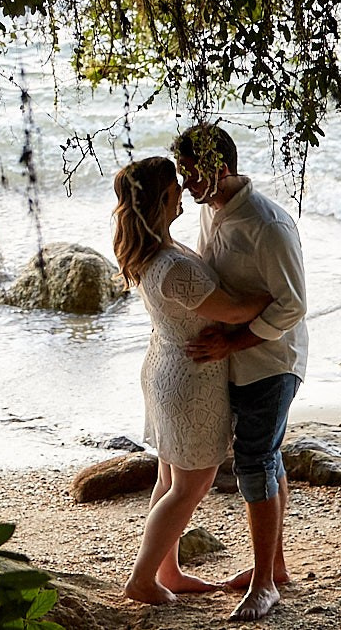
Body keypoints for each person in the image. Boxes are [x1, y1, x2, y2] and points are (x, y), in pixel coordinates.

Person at [111, 155, 274, 606]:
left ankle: (168, 570)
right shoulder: (173, 265)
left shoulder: (152, 251)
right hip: (188, 381)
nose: (184, 189)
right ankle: (142, 579)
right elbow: (236, 312)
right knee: (191, 485)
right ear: (164, 198)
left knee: (169, 478)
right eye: (176, 186)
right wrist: (280, 293)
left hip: (167, 366)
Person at [174, 123, 309, 623]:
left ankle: (263, 585)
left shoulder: (266, 225)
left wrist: (233, 339)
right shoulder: (214, 213)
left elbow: (291, 307)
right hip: (240, 361)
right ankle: (275, 568)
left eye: (192, 176)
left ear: (220, 169)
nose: (186, 187)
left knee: (253, 462)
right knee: (265, 458)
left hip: (273, 363)